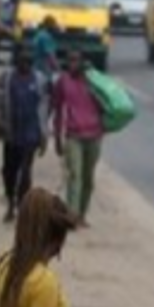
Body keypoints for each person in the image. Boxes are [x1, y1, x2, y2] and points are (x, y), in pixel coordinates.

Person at [0, 47, 48, 222]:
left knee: (25, 171)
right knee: (8, 170)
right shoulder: (6, 78)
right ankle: (10, 201)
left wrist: (44, 134)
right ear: (16, 62)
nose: (25, 66)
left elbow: (45, 106)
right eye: (22, 62)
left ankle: (22, 206)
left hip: (31, 134)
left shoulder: (39, 80)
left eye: (29, 62)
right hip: (11, 133)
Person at [50, 50, 104, 225]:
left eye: (75, 60)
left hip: (94, 135)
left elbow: (105, 103)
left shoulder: (94, 81)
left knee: (88, 177)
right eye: (69, 60)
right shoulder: (62, 81)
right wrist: (57, 137)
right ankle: (72, 213)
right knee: (75, 174)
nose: (72, 64)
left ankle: (82, 214)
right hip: (73, 135)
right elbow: (58, 109)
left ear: (82, 62)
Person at [31, 16, 60, 85]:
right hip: (44, 70)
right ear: (49, 25)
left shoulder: (39, 34)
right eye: (54, 24)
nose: (55, 27)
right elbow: (51, 55)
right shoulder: (46, 37)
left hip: (36, 67)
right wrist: (58, 69)